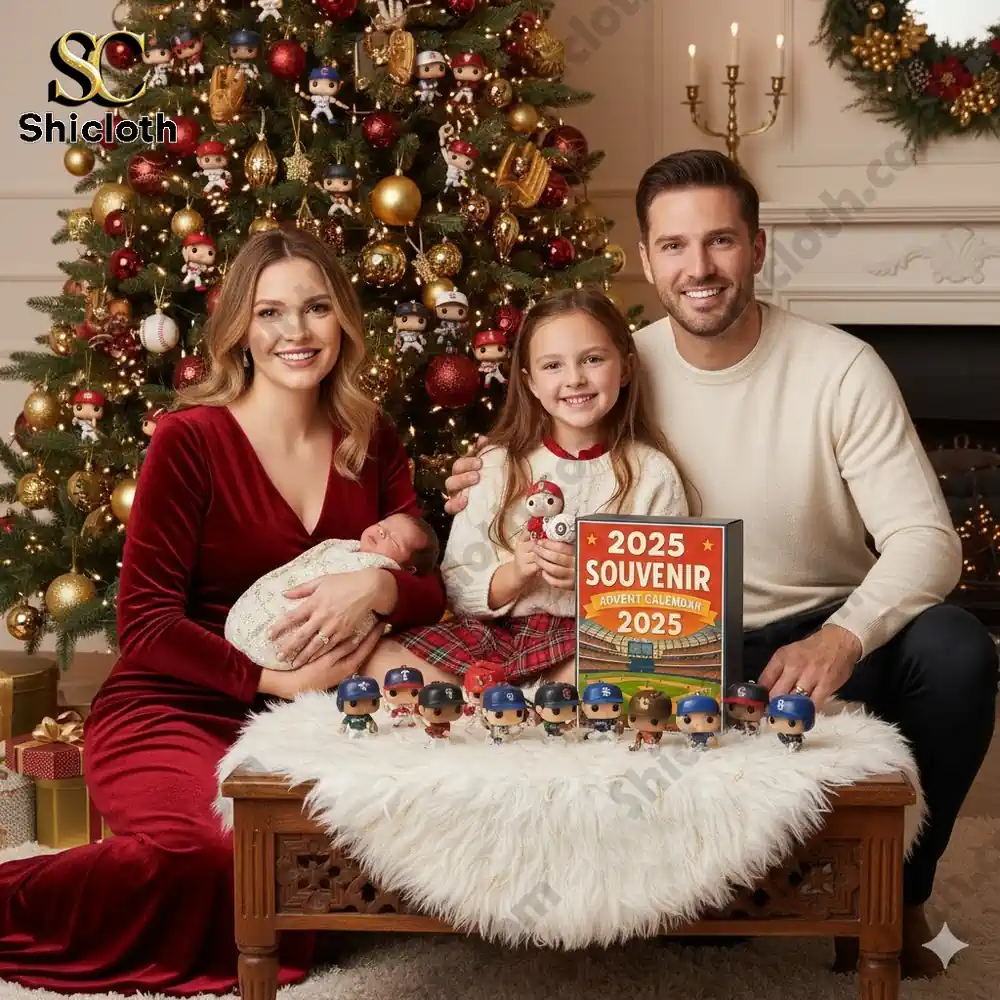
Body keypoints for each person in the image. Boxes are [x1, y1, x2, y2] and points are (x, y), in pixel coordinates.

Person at [443, 150, 999, 978]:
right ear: (646, 260)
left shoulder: (840, 370)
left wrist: (843, 638)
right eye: (673, 246)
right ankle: (707, 883)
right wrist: (485, 476)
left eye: (721, 242)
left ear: (759, 247)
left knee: (957, 650)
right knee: (704, 929)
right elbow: (540, 447)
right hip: (673, 644)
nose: (697, 269)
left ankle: (897, 893)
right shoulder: (610, 366)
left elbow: (929, 541)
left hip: (822, 643)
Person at [0, 228, 446, 994]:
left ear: (343, 319)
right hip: (171, 702)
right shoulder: (190, 439)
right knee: (219, 857)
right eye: (270, 313)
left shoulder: (371, 439)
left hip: (319, 713)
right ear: (240, 329)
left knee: (336, 854)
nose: (295, 333)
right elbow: (143, 621)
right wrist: (273, 678)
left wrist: (378, 589)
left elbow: (432, 591)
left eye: (314, 308)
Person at [372, 287, 688, 687]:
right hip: (497, 636)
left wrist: (591, 581)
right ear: (531, 382)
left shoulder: (652, 475)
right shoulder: (496, 465)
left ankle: (520, 700)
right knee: (383, 658)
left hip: (591, 640)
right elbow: (456, 584)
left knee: (626, 668)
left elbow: (670, 598)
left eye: (592, 359)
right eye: (552, 365)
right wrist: (514, 575)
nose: (574, 379)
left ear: (624, 369)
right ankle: (516, 699)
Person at [226, 512, 439, 670]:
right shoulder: (342, 548)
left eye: (392, 539)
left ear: (408, 569)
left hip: (300, 643)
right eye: (381, 525)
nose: (381, 532)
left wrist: (379, 583)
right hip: (239, 629)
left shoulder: (380, 566)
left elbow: (431, 596)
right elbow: (302, 565)